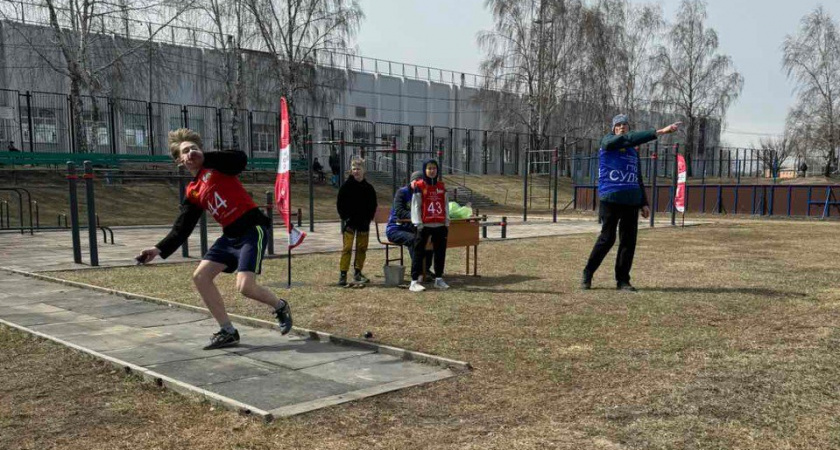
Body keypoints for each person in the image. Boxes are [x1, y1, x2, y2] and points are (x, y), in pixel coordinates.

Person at [135, 128, 292, 350]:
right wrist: (158, 249)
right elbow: (183, 226)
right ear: (180, 160)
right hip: (229, 237)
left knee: (245, 287)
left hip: (251, 228)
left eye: (194, 149)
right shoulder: (192, 190)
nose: (191, 153)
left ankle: (280, 306)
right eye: (185, 151)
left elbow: (240, 159)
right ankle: (228, 331)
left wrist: (206, 156)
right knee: (200, 277)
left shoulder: (217, 166)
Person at [581, 114, 681, 292]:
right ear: (613, 128)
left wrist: (644, 202)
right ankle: (588, 274)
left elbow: (638, 178)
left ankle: (623, 280)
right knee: (607, 239)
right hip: (610, 198)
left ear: (628, 127)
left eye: (624, 125)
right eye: (618, 125)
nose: (621, 127)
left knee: (628, 241)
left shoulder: (633, 153)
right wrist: (659, 132)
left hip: (631, 200)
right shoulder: (607, 142)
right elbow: (623, 140)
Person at [409, 159, 450, 292]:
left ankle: (439, 278)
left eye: (434, 168)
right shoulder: (419, 186)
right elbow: (415, 205)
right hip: (424, 225)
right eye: (429, 168)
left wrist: (446, 221)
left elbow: (445, 204)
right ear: (425, 170)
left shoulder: (442, 186)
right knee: (418, 252)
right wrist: (417, 222)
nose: (432, 171)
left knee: (440, 252)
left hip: (439, 224)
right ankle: (414, 281)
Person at [336, 157, 377, 285]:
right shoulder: (346, 187)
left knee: (362, 248)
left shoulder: (369, 188)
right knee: (347, 248)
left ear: (363, 170)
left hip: (363, 223)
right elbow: (340, 204)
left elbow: (373, 205)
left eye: (359, 169)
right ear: (351, 170)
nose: (356, 171)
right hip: (350, 223)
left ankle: (358, 272)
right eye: (354, 169)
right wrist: (346, 218)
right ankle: (343, 274)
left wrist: (368, 218)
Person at [386, 171, 433, 279]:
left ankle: (426, 269)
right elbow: (400, 212)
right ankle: (419, 271)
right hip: (396, 229)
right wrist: (416, 215)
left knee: (430, 237)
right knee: (415, 240)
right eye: (416, 181)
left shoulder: (423, 194)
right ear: (411, 181)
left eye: (421, 181)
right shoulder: (402, 193)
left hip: (412, 228)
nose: (418, 183)